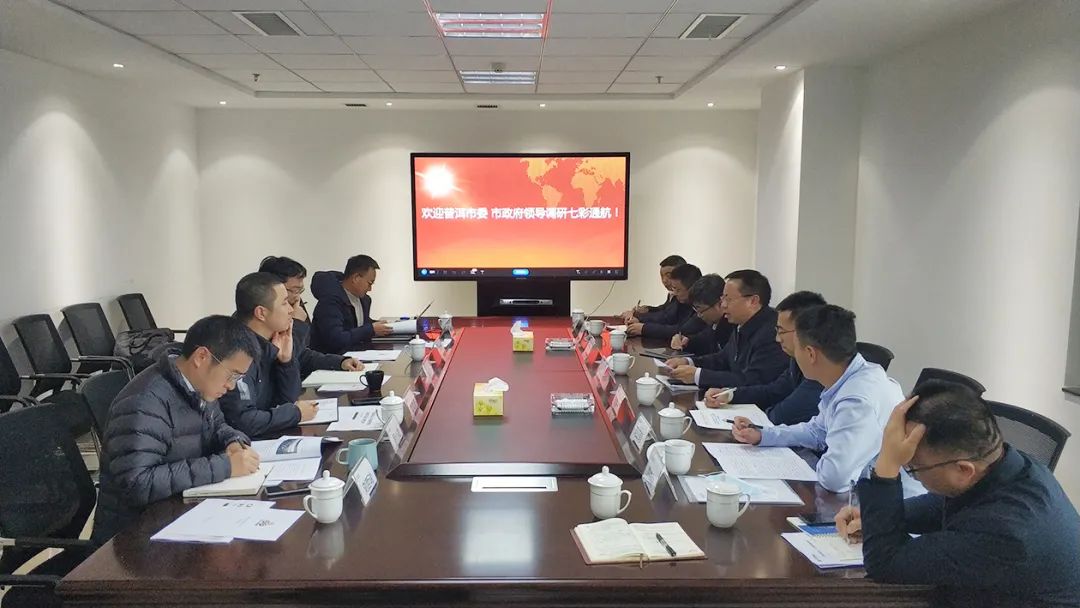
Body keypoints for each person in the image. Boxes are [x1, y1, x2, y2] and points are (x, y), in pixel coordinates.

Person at [835, 381, 1080, 607]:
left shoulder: (1008, 534)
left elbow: (886, 563)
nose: (911, 472)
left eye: (912, 468)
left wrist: (888, 464)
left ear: (963, 469)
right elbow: (947, 499)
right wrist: (876, 517)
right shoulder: (1012, 466)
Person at [92, 315, 262, 544]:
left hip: (177, 517)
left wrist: (232, 442)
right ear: (201, 357)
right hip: (133, 538)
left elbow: (217, 426)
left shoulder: (198, 386)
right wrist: (225, 466)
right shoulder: (144, 402)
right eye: (232, 375)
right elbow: (137, 483)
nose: (231, 386)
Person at [730, 304, 922, 496]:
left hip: (891, 504)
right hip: (860, 495)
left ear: (811, 354)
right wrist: (764, 435)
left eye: (797, 348)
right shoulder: (850, 377)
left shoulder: (857, 401)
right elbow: (817, 431)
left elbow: (835, 478)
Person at [219, 272, 318, 438]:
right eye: (284, 303)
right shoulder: (237, 351)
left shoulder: (270, 343)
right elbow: (244, 421)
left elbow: (288, 400)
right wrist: (296, 414)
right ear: (261, 313)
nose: (291, 310)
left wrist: (286, 362)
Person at [704, 291, 826, 425]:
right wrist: (729, 394)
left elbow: (781, 416)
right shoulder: (796, 359)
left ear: (804, 332)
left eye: (781, 331)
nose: (777, 339)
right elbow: (774, 391)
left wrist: (754, 419)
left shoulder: (821, 371)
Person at [665, 270, 788, 390]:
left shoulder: (772, 333)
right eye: (723, 298)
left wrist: (699, 375)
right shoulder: (741, 323)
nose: (723, 305)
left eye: (728, 299)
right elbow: (722, 358)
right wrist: (688, 362)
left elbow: (752, 380)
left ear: (753, 301)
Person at [258, 256, 363, 376]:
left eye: (300, 291)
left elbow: (303, 355)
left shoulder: (295, 306)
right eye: (294, 290)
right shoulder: (260, 323)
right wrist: (297, 324)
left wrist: (340, 362)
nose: (297, 297)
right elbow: (284, 361)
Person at [310, 255, 393, 355]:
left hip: (357, 354)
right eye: (369, 283)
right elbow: (336, 339)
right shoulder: (330, 302)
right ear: (356, 278)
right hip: (333, 358)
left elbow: (358, 324)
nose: (370, 289)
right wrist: (371, 329)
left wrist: (378, 325)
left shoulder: (364, 300)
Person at [627, 263, 716, 346]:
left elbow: (681, 330)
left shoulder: (702, 306)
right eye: (674, 289)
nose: (675, 293)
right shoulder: (680, 301)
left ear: (692, 288)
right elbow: (665, 317)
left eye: (678, 290)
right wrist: (639, 318)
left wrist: (644, 328)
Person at [621, 254, 686, 322]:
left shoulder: (683, 295)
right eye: (662, 276)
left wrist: (638, 317)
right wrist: (647, 309)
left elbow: (666, 317)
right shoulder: (672, 294)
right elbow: (663, 309)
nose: (664, 280)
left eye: (668, 275)